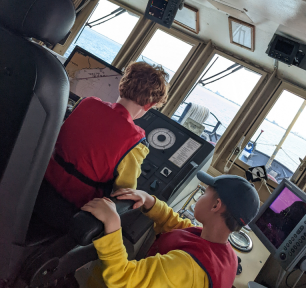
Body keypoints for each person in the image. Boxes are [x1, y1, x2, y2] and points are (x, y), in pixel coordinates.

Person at [81, 172, 260, 288]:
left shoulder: (185, 267)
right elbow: (178, 226)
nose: (200, 196)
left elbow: (122, 278)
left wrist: (112, 225)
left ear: (216, 205)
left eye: (204, 193)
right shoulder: (224, 252)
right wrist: (149, 200)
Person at [43, 62, 169, 210]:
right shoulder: (135, 141)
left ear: (121, 86)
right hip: (71, 208)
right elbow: (125, 193)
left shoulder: (86, 102)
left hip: (39, 183)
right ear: (149, 105)